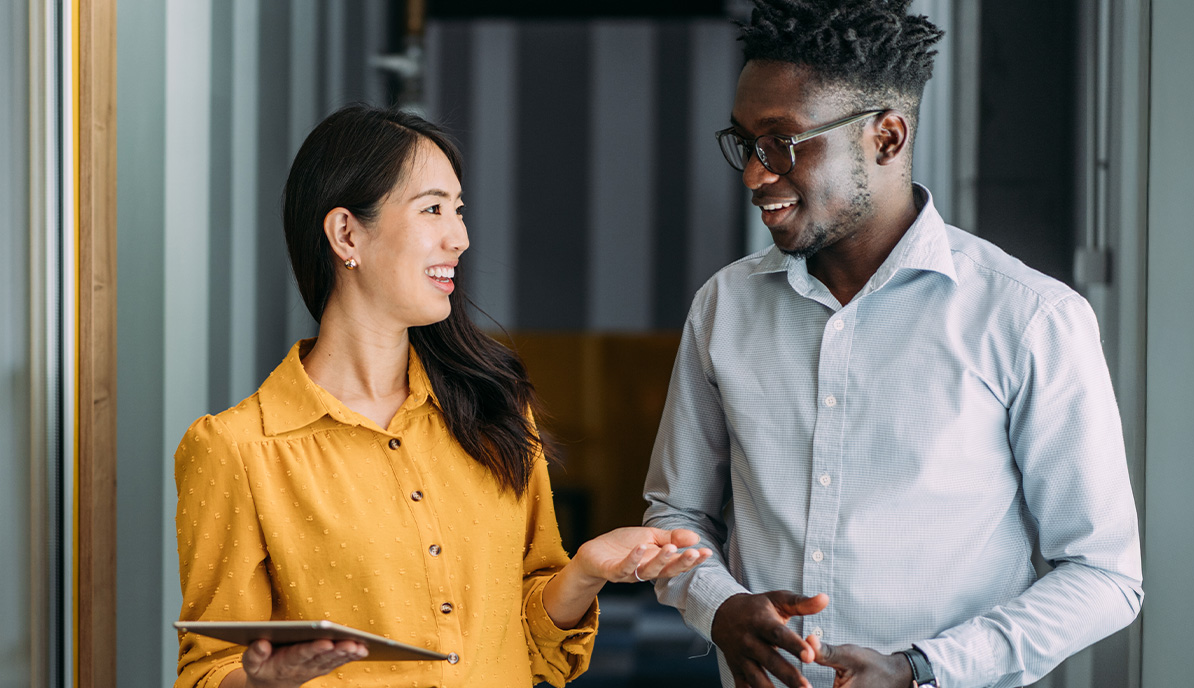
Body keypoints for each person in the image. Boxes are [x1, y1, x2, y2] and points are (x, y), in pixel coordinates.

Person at [642, 2, 1143, 687]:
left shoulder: (1030, 318)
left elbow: (1104, 574)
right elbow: (677, 515)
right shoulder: (724, 307)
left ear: (886, 138)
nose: (755, 175)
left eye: (783, 142)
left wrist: (921, 671)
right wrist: (719, 605)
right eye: (746, 144)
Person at [174, 104, 712, 688]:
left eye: (457, 211)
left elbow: (531, 646)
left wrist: (584, 571)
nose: (460, 237)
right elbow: (210, 668)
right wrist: (264, 682)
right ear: (346, 232)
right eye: (432, 209)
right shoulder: (235, 449)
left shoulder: (496, 410)